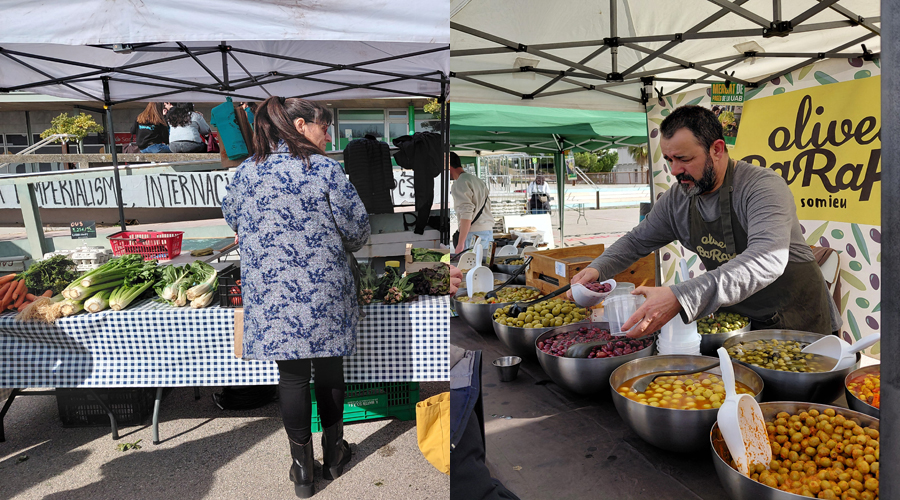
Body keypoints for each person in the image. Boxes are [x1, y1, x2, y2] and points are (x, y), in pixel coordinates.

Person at [570, 105, 841, 338]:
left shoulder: (762, 187)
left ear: (717, 149)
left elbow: (766, 260)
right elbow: (636, 241)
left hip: (799, 323)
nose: (675, 170)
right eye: (668, 160)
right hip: (737, 326)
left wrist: (680, 296)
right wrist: (597, 270)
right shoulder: (678, 198)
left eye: (684, 159)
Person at [221, 96, 370, 498]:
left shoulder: (244, 173)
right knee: (328, 369)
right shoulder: (324, 169)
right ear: (299, 125)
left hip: (271, 294)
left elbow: (233, 217)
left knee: (291, 377)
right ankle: (335, 456)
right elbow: (357, 232)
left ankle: (302, 471)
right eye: (325, 127)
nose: (328, 135)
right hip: (323, 289)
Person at [450, 152, 493, 254]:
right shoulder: (477, 180)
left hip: (473, 234)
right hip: (488, 231)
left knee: (470, 268)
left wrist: (460, 243)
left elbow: (466, 213)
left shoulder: (460, 183)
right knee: (484, 267)